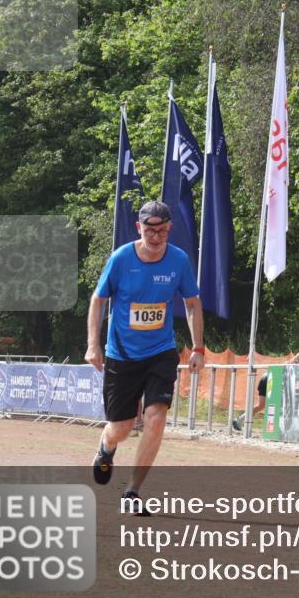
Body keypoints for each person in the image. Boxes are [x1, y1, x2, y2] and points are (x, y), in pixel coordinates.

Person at [85, 201, 204, 513]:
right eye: (151, 230)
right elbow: (98, 300)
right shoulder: (121, 258)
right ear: (139, 228)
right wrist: (92, 345)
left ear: (169, 230)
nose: (156, 236)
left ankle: (133, 492)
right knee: (122, 427)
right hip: (122, 354)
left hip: (160, 352)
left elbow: (192, 304)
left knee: (156, 416)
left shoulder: (178, 260)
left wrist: (198, 348)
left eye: (163, 230)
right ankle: (106, 447)